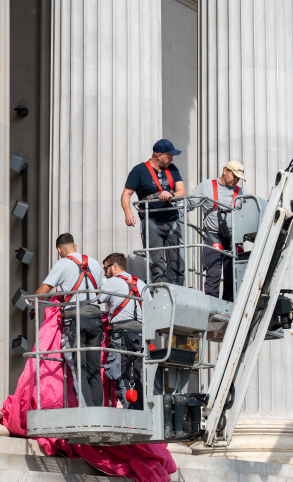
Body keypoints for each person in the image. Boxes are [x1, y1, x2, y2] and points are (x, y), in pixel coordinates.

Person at [34, 233, 105, 407]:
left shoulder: (62, 264)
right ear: (75, 246)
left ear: (59, 250)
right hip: (95, 317)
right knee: (94, 369)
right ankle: (99, 412)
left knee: (78, 368)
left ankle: (87, 414)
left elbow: (44, 290)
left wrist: (32, 303)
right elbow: (101, 292)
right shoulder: (95, 263)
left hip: (76, 318)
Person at [122, 139, 187, 285]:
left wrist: (172, 195)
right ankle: (161, 299)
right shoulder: (139, 170)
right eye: (169, 156)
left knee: (178, 264)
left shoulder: (173, 169)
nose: (171, 159)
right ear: (159, 155)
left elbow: (182, 191)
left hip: (172, 221)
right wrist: (128, 213)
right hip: (152, 222)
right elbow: (126, 194)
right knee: (157, 266)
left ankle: (178, 297)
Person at [188, 161, 246, 301]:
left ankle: (228, 310)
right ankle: (212, 309)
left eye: (238, 178)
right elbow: (188, 203)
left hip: (233, 237)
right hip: (213, 235)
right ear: (225, 170)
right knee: (213, 273)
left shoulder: (240, 192)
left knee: (233, 276)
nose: (236, 180)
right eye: (234, 175)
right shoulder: (207, 186)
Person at [99, 253, 150, 409]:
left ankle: (132, 417)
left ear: (114, 266)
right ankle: (142, 414)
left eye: (105, 268)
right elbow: (151, 308)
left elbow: (96, 299)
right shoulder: (141, 284)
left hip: (121, 334)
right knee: (134, 376)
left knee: (119, 375)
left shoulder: (112, 282)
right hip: (140, 336)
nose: (104, 272)